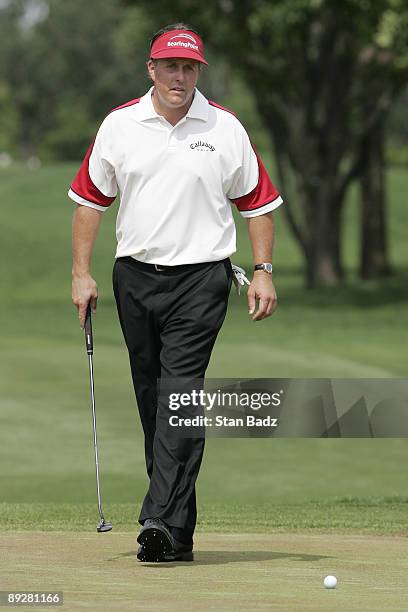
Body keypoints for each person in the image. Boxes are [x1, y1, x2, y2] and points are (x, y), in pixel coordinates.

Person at [69, 23, 283, 562]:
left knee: (179, 395)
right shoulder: (120, 125)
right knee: (152, 399)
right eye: (170, 66)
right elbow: (90, 202)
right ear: (152, 69)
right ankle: (175, 535)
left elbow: (257, 203)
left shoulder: (225, 127)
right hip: (135, 278)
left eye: (189, 69)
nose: (180, 77)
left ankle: (157, 516)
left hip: (201, 280)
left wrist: (262, 270)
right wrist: (81, 273)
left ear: (198, 73)